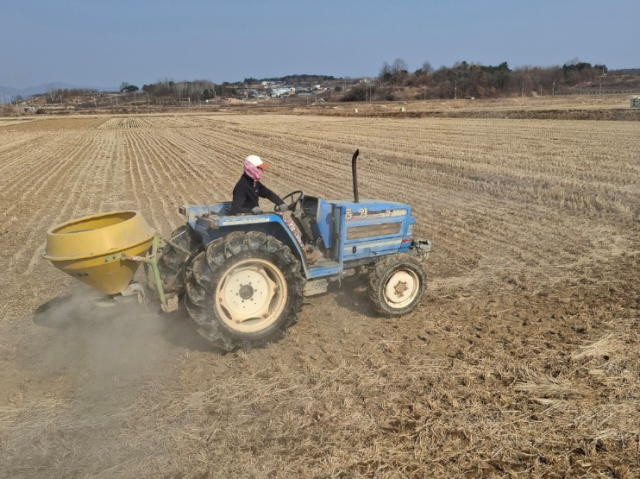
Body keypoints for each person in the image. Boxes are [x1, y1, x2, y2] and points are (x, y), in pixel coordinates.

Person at [231, 155, 322, 263]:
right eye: (259, 168)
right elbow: (235, 209)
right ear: (251, 168)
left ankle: (300, 249)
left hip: (255, 217)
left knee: (285, 221)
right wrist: (251, 211)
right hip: (250, 220)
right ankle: (303, 254)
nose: (261, 171)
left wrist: (280, 203)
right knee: (288, 223)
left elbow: (268, 193)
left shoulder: (254, 183)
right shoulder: (242, 186)